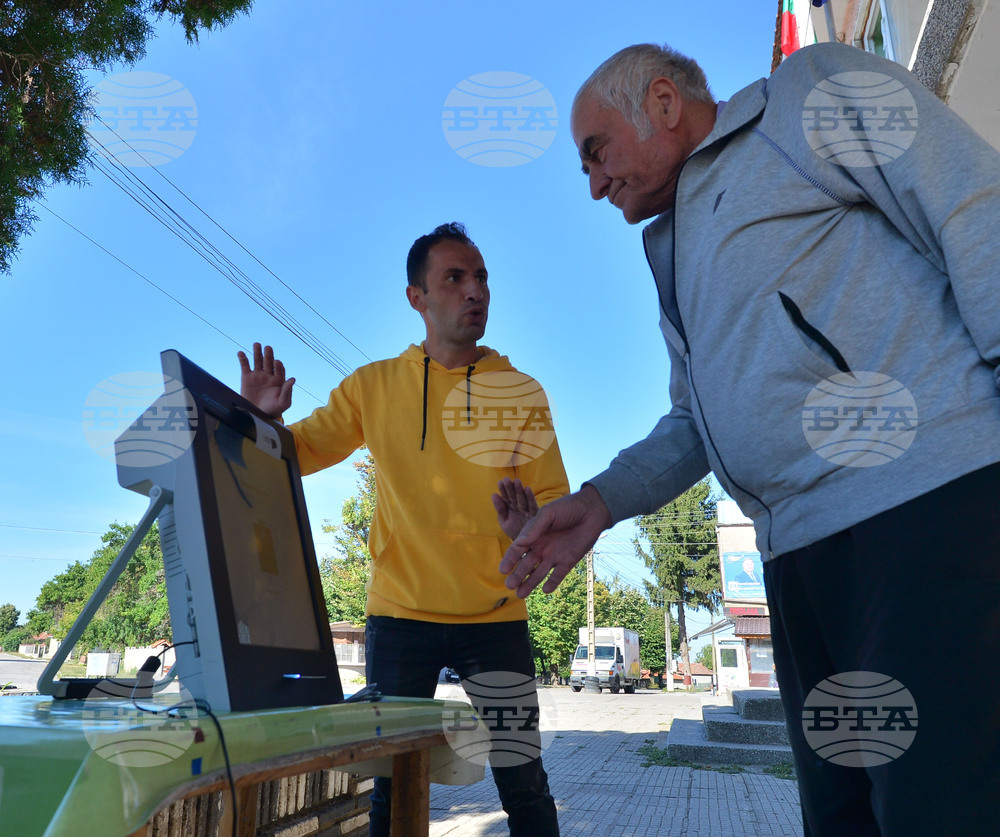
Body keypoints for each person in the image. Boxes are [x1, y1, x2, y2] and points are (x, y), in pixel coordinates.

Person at [499, 41, 1000, 836]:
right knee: (844, 815)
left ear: (662, 102)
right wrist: (597, 503)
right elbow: (694, 421)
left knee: (943, 804)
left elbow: (969, 203)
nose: (594, 186)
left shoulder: (805, 92)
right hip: (798, 557)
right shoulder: (671, 248)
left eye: (595, 154)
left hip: (922, 509)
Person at [240, 222, 567, 836]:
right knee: (388, 791)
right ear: (417, 297)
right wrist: (258, 419)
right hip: (399, 615)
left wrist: (534, 526)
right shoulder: (374, 387)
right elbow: (296, 454)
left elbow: (554, 501)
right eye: (455, 278)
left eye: (482, 278)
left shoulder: (521, 393)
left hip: (495, 616)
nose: (476, 291)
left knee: (524, 785)